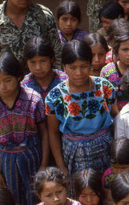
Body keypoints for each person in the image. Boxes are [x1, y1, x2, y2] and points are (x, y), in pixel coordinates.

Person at [0, 52, 48, 205]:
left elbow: (44, 133)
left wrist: (43, 164)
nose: (2, 86)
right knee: (11, 197)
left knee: (36, 196)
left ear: (18, 76)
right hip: (5, 160)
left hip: (32, 157)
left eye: (7, 80)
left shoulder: (33, 99)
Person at [46, 40, 118, 178]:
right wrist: (61, 166)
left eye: (83, 66)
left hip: (105, 150)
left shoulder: (105, 87)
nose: (78, 72)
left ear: (90, 64)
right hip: (73, 153)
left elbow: (116, 117)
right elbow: (53, 133)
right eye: (72, 67)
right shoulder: (55, 96)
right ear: (64, 67)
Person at [102, 138, 129, 203]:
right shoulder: (107, 175)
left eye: (123, 168)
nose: (119, 172)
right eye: (114, 167)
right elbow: (104, 193)